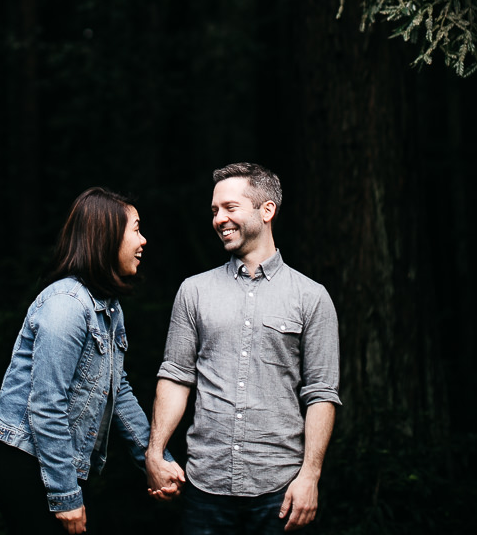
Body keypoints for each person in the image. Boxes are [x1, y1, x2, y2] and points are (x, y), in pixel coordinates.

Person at [145, 162, 340, 534]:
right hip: (203, 487)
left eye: (230, 208)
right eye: (215, 210)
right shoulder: (194, 291)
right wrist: (155, 453)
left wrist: (310, 477)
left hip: (281, 490)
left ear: (267, 210)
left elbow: (321, 394)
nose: (219, 219)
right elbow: (175, 377)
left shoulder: (312, 297)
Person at [0, 186, 185, 533]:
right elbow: (46, 406)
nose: (144, 241)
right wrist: (66, 496)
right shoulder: (66, 305)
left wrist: (154, 460)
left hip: (57, 461)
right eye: (135, 229)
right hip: (25, 460)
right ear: (107, 236)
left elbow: (117, 391)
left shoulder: (108, 308)